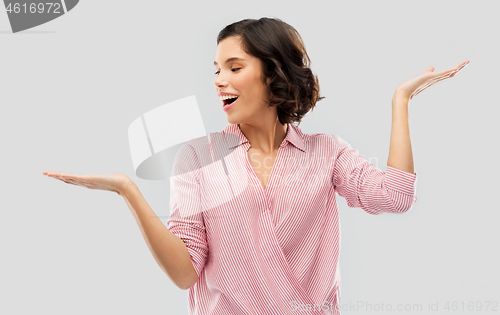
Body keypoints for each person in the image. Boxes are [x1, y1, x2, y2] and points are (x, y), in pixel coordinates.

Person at [43, 17, 469, 315]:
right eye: (216, 70)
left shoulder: (327, 152)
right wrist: (127, 191)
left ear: (272, 72)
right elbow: (185, 273)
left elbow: (394, 197)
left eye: (234, 67)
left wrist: (401, 101)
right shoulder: (199, 158)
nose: (218, 80)